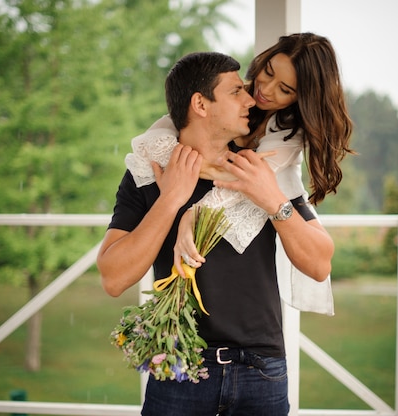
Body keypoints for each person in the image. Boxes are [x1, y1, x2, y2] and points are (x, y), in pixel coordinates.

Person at [97, 51, 334, 415]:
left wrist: (273, 200)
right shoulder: (149, 171)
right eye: (236, 92)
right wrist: (171, 199)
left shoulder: (261, 166)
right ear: (200, 104)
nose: (252, 99)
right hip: (180, 368)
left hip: (262, 370)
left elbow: (320, 264)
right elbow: (113, 278)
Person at [124, 32, 353, 315]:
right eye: (267, 72)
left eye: (285, 90)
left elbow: (250, 178)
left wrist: (192, 213)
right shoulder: (224, 103)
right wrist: (180, 176)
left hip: (255, 335)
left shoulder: (288, 136)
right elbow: (166, 128)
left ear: (301, 98)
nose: (264, 91)